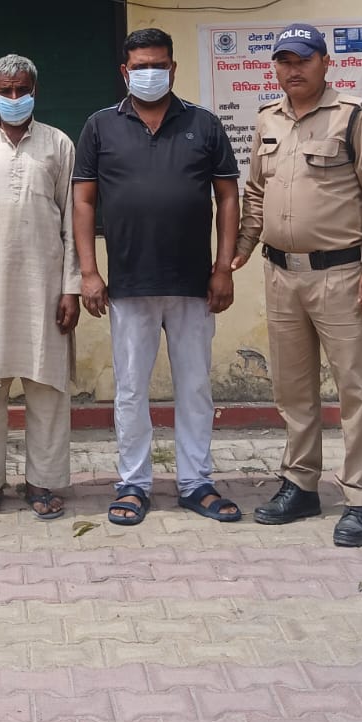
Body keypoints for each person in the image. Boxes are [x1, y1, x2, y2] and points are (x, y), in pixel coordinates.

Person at [232, 23, 362, 546]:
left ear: (326, 63)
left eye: (303, 59)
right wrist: (244, 244)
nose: (293, 69)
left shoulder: (355, 115)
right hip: (281, 274)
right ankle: (301, 484)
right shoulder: (267, 119)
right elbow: (256, 190)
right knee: (292, 388)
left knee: (354, 389)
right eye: (284, 60)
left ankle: (360, 498)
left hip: (341, 275)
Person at [73, 27, 241, 526]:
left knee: (195, 386)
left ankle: (196, 482)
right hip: (129, 283)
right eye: (141, 66)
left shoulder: (204, 124)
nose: (150, 73)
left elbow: (228, 197)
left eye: (159, 65)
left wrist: (223, 268)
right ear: (125, 72)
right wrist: (88, 271)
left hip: (194, 283)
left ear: (173, 68)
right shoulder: (100, 126)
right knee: (130, 389)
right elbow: (83, 201)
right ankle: (133, 483)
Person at [0, 54, 80, 520]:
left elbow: (73, 221)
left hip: (46, 288)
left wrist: (71, 286)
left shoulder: (58, 144)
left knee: (48, 388)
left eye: (22, 89)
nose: (14, 97)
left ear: (34, 91)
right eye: (5, 91)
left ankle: (43, 482)